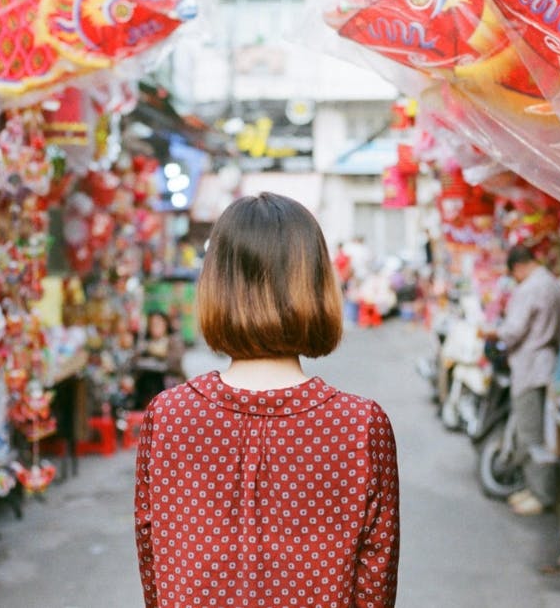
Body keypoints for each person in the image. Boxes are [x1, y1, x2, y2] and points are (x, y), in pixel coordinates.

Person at [135, 193, 400, 608]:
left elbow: (154, 571)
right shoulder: (360, 426)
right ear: (316, 285)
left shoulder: (168, 417)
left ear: (216, 286)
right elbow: (375, 586)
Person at [480, 244, 560, 516]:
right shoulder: (556, 285)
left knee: (531, 434)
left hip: (530, 366)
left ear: (518, 267)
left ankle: (541, 495)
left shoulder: (529, 288)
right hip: (548, 365)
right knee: (541, 431)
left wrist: (491, 333)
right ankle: (535, 489)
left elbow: (513, 330)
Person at [131, 312, 185, 411]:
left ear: (165, 324)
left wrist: (154, 356)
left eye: (158, 323)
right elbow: (135, 362)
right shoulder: (145, 344)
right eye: (152, 324)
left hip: (168, 384)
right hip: (147, 386)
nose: (155, 327)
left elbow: (173, 364)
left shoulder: (173, 342)